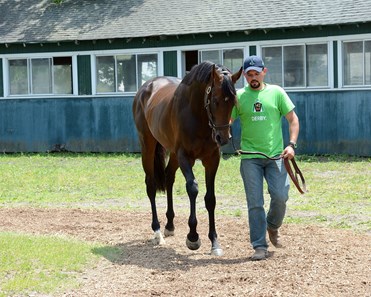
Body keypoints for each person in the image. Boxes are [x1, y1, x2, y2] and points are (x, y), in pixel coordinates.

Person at [230, 55, 300, 261]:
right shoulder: (238, 96)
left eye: (256, 73)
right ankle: (259, 246)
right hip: (250, 158)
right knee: (255, 203)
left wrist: (291, 144)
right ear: (244, 75)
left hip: (277, 157)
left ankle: (272, 226)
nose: (253, 77)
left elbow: (293, 119)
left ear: (264, 72)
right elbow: (226, 120)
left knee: (281, 196)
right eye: (249, 74)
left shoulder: (276, 92)